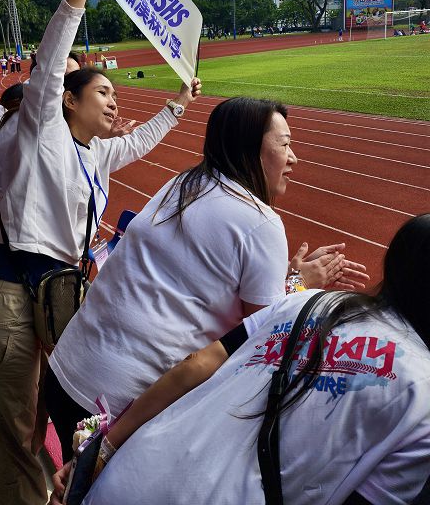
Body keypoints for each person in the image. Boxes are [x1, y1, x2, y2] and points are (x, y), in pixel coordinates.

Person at [0, 0, 201, 505]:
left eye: (116, 95)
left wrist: (178, 103)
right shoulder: (42, 132)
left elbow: (139, 141)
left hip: (54, 296)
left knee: (28, 429)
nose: (115, 103)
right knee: (18, 444)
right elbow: (47, 69)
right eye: (103, 92)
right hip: (8, 297)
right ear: (67, 102)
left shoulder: (94, 153)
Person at [44, 97, 368, 462]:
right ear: (248, 149)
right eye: (285, 144)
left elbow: (192, 281)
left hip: (66, 369)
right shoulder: (260, 223)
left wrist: (287, 281)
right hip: (116, 408)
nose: (293, 158)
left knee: (73, 481)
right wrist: (299, 286)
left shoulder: (183, 183)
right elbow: (262, 339)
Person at [52, 213, 430, 505]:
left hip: (133, 473)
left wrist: (103, 449)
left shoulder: (306, 302)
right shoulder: (422, 397)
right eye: (284, 143)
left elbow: (196, 364)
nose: (292, 156)